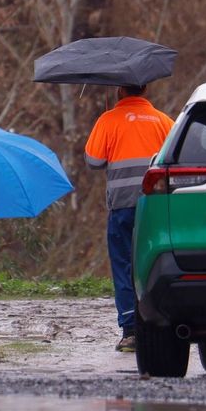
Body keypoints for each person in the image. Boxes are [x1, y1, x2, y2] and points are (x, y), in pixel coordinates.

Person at [84, 83, 174, 353]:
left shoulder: (108, 120)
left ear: (119, 90)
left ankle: (131, 331)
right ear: (145, 89)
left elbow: (93, 160)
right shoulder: (163, 121)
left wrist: (107, 125)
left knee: (124, 266)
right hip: (156, 207)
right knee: (156, 264)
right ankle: (162, 323)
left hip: (122, 206)